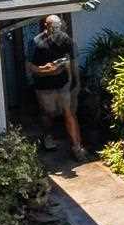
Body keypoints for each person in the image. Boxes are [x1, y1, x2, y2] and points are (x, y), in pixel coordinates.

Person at [25, 14, 82, 155]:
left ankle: (77, 147)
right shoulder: (36, 42)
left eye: (58, 27)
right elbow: (29, 67)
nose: (56, 29)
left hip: (63, 84)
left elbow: (73, 62)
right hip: (43, 86)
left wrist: (77, 82)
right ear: (46, 25)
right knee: (48, 113)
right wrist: (44, 69)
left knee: (69, 113)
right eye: (53, 27)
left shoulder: (66, 40)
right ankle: (47, 136)